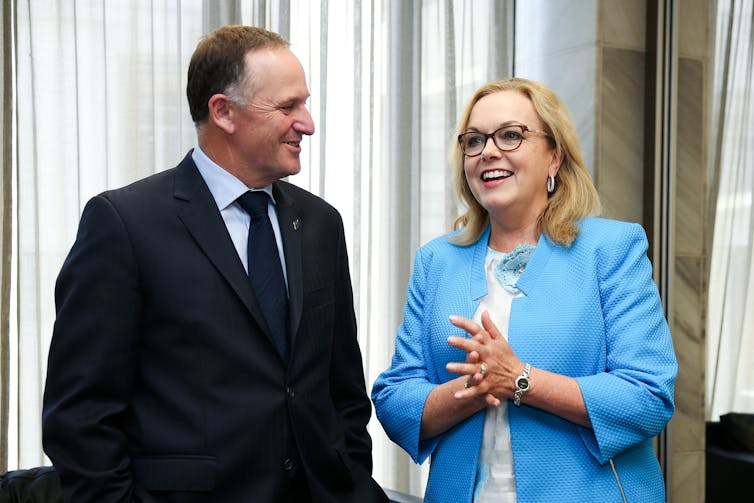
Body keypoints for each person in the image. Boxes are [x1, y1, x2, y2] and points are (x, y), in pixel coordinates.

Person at [42, 25, 387, 503]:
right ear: (223, 111)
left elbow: (343, 390)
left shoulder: (320, 224)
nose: (307, 123)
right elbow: (80, 416)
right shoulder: (124, 224)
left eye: (305, 104)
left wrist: (350, 483)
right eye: (288, 107)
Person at [371, 77, 677, 503]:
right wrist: (477, 386)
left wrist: (519, 379)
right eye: (474, 141)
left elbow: (649, 394)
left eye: (511, 135)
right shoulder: (436, 261)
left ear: (555, 156)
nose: (489, 151)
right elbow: (394, 397)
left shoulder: (610, 249)